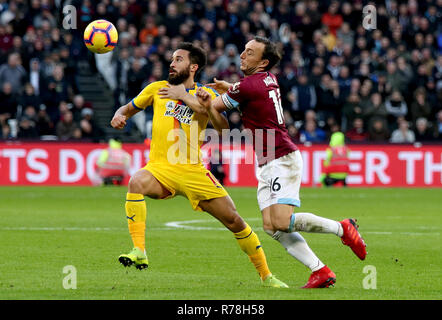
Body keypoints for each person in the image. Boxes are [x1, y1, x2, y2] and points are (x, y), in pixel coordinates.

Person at [110, 42, 287, 288]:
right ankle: (139, 249)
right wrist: (119, 115)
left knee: (235, 221)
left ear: (193, 67)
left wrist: (203, 104)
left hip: (193, 171)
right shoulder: (156, 89)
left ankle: (267, 276)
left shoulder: (207, 94)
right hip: (160, 169)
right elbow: (127, 109)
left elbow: (223, 129)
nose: (172, 63)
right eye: (172, 59)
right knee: (136, 182)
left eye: (179, 59)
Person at [202, 36, 367, 288]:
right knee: (272, 227)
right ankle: (320, 270)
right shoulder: (267, 79)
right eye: (244, 51)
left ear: (263, 61)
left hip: (281, 157)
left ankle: (342, 228)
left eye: (249, 52)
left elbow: (213, 106)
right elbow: (246, 94)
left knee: (281, 221)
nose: (242, 56)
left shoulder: (247, 86)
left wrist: (198, 96)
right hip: (268, 160)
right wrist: (231, 88)